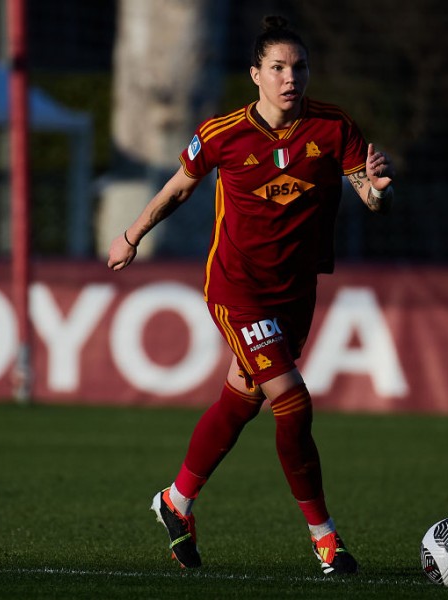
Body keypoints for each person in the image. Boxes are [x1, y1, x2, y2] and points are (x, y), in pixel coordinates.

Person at [107, 15, 394, 576]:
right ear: (256, 75)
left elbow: (369, 193)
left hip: (296, 292)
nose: (292, 78)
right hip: (236, 289)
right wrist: (132, 235)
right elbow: (178, 188)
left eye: (300, 67)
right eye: (279, 68)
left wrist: (380, 191)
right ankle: (325, 538)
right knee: (292, 400)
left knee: (244, 398)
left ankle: (175, 501)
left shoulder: (334, 129)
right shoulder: (221, 133)